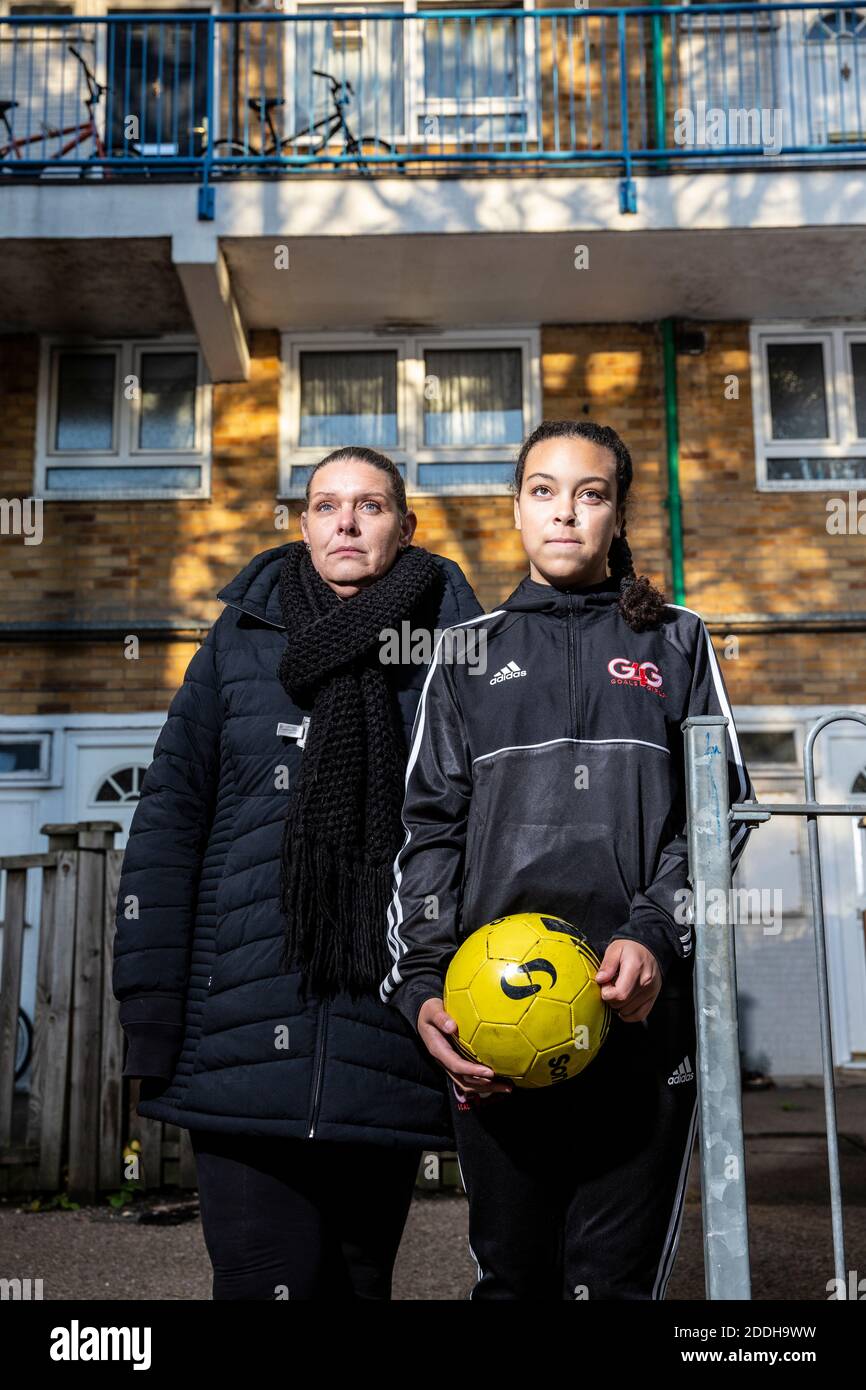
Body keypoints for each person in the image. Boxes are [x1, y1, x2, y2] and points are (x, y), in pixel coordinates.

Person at [379, 420, 756, 1300]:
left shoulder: (678, 641)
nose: (565, 512)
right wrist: (426, 984)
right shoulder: (466, 652)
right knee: (512, 1277)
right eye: (543, 491)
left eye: (590, 494)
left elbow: (722, 811)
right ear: (515, 510)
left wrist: (657, 935)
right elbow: (427, 831)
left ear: (617, 514)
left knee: (612, 1283)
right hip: (498, 1017)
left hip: (638, 1021)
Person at [112, 445, 483, 1300]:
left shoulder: (451, 653)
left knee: (357, 1280)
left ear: (405, 525)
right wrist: (152, 1018)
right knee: (263, 1280)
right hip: (240, 1025)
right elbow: (169, 824)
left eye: (371, 505)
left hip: (382, 1025)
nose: (346, 522)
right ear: (305, 523)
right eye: (326, 505)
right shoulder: (237, 641)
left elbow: (476, 834)